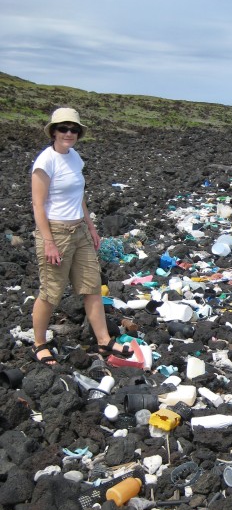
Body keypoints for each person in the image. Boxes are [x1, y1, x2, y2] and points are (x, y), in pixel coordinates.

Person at [31, 107, 132, 364]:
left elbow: (80, 196)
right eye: (63, 128)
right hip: (56, 233)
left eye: (74, 129)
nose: (69, 133)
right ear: (53, 131)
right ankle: (40, 343)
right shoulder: (45, 162)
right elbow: (38, 205)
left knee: (92, 286)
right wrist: (49, 243)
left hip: (79, 231)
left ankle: (103, 341)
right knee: (51, 292)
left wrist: (91, 226)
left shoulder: (75, 157)